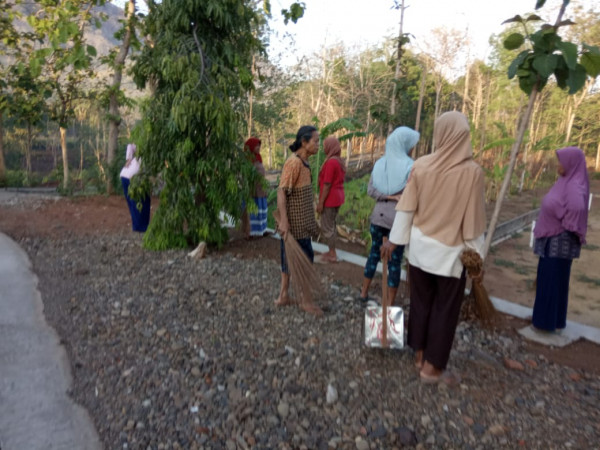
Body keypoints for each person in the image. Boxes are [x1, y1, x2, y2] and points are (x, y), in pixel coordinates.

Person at [381, 111, 486, 384]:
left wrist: (394, 241)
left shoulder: (422, 165)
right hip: (450, 257)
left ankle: (419, 354)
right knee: (444, 309)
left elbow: (406, 208)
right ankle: (432, 368)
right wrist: (477, 259)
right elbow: (473, 221)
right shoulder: (472, 172)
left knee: (420, 302)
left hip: (418, 251)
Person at [359, 126, 420, 304]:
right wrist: (394, 197)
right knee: (394, 261)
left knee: (373, 255)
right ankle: (389, 302)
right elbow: (411, 195)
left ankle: (363, 293)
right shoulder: (411, 167)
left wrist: (386, 196)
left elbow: (371, 190)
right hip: (397, 222)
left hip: (377, 217)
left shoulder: (380, 164)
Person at [531, 147, 589, 333]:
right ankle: (555, 320)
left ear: (570, 163)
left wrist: (565, 221)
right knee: (556, 281)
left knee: (550, 281)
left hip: (558, 242)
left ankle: (544, 323)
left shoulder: (573, 186)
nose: (558, 165)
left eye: (561, 161)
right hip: (554, 240)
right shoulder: (566, 181)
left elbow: (578, 208)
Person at [275, 125, 322, 315]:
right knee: (305, 261)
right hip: (294, 225)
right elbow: (281, 192)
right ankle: (306, 300)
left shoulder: (304, 163)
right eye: (316, 141)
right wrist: (284, 222)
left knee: (289, 260)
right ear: (304, 142)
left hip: (301, 224)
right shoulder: (293, 163)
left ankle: (284, 295)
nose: (318, 145)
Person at [316, 136, 346, 263]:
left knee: (327, 227)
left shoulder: (331, 162)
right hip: (338, 196)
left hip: (330, 198)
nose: (323, 148)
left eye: (325, 146)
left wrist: (321, 203)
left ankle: (332, 254)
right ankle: (331, 251)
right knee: (331, 225)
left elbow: (327, 184)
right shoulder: (339, 161)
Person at [120, 143, 151, 232]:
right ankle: (141, 227)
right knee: (142, 201)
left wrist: (129, 159)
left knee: (133, 202)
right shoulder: (150, 156)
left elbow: (130, 145)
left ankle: (137, 226)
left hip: (124, 175)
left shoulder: (140, 140)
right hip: (134, 177)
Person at [243, 137, 269, 239]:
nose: (258, 147)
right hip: (252, 190)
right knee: (252, 211)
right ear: (251, 147)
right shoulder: (247, 159)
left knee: (261, 210)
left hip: (261, 190)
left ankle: (262, 230)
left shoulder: (259, 157)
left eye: (259, 145)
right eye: (256, 145)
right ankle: (250, 233)